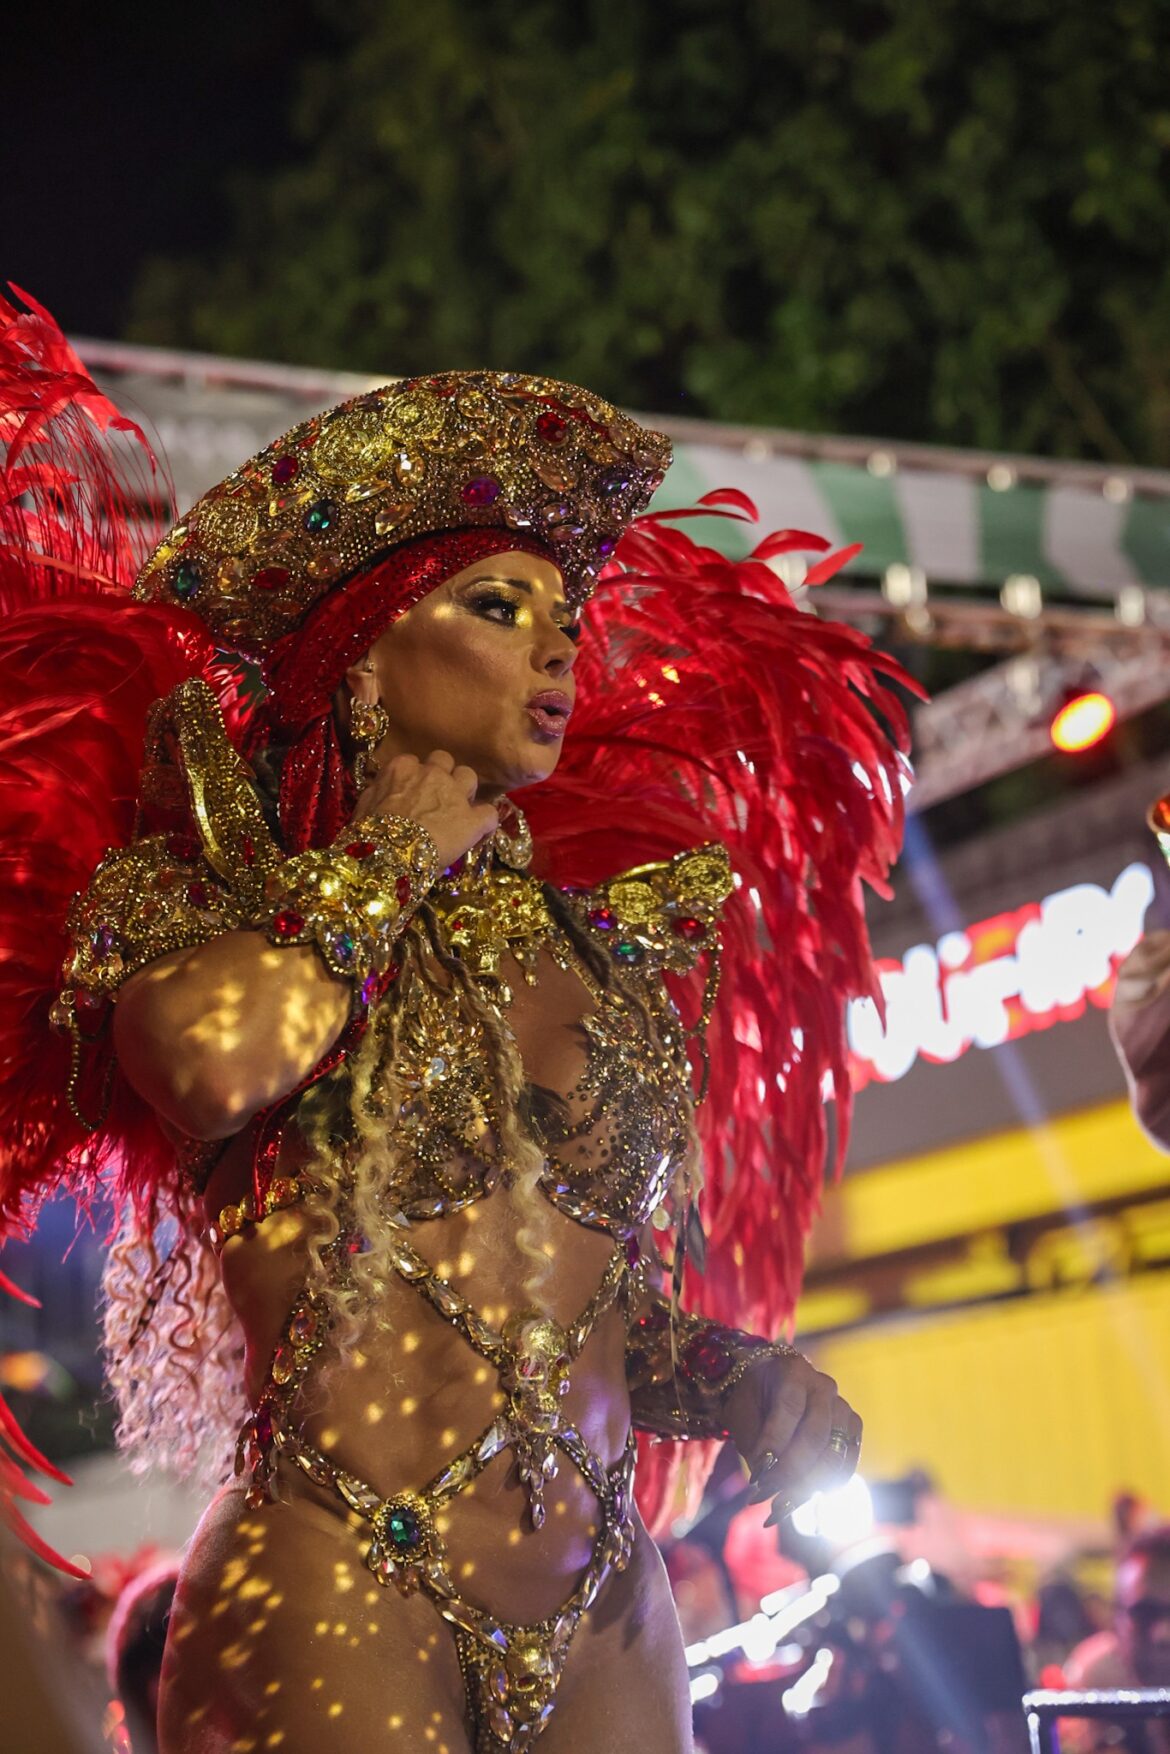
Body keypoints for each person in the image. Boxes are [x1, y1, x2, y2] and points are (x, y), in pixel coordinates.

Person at [0, 291, 912, 1753]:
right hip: (336, 1581)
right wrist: (385, 857)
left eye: (564, 619)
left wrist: (739, 1381)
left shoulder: (599, 953)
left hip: (608, 1602)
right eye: (498, 608)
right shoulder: (215, 903)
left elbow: (574, 1313)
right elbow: (209, 1064)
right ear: (360, 663)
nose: (554, 649)